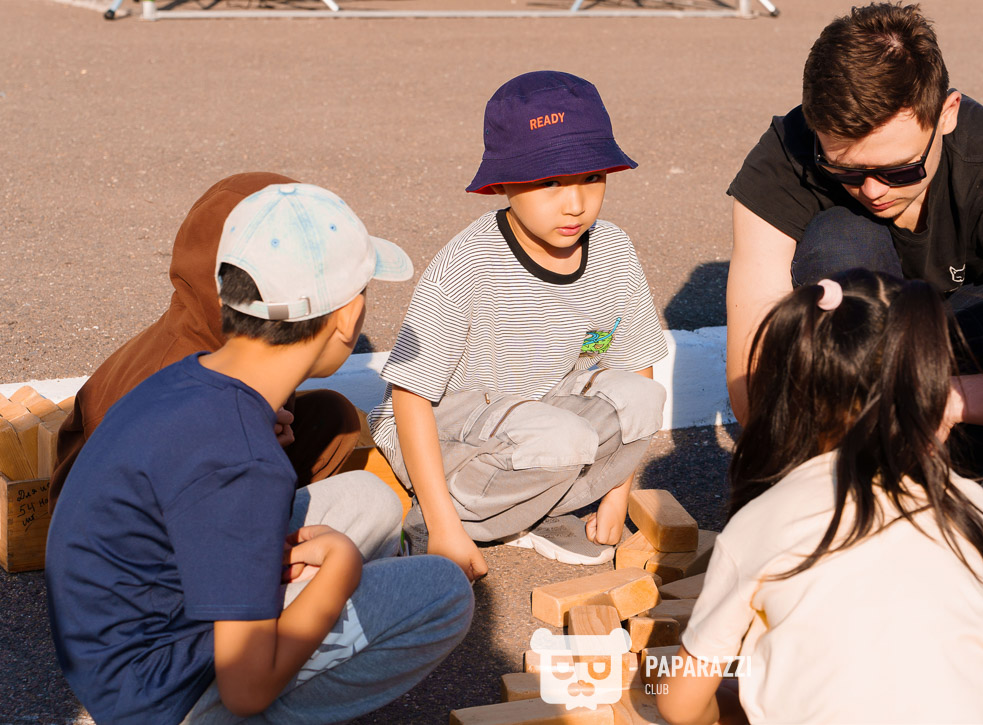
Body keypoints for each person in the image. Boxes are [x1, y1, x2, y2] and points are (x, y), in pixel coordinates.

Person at [46, 183, 474, 725]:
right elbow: (247, 687)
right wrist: (338, 574)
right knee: (442, 592)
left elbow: (195, 470)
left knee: (373, 502)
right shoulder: (243, 464)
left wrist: (246, 434)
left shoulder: (194, 378)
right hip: (162, 697)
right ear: (349, 316)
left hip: (113, 646)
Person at [656, 269, 983, 725]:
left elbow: (679, 706)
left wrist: (738, 703)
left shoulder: (762, 521)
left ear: (785, 403)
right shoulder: (969, 503)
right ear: (931, 393)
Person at [725, 1, 983, 476]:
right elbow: (753, 358)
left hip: (968, 343)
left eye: (900, 169)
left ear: (947, 113)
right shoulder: (788, 153)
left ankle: (945, 465)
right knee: (838, 238)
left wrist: (944, 401)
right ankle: (850, 462)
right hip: (861, 363)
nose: (873, 190)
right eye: (845, 170)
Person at [369, 70, 669, 580]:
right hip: (452, 434)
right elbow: (410, 395)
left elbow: (636, 365)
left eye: (591, 177)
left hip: (542, 426)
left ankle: (531, 512)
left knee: (642, 400)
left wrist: (618, 494)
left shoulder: (613, 250)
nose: (575, 203)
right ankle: (440, 520)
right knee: (561, 438)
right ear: (502, 184)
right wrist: (445, 526)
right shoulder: (470, 263)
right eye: (550, 181)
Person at [52, 172, 369, 506]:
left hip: (214, 477)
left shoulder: (246, 339)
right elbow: (107, 511)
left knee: (332, 419)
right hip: (141, 520)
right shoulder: (171, 385)